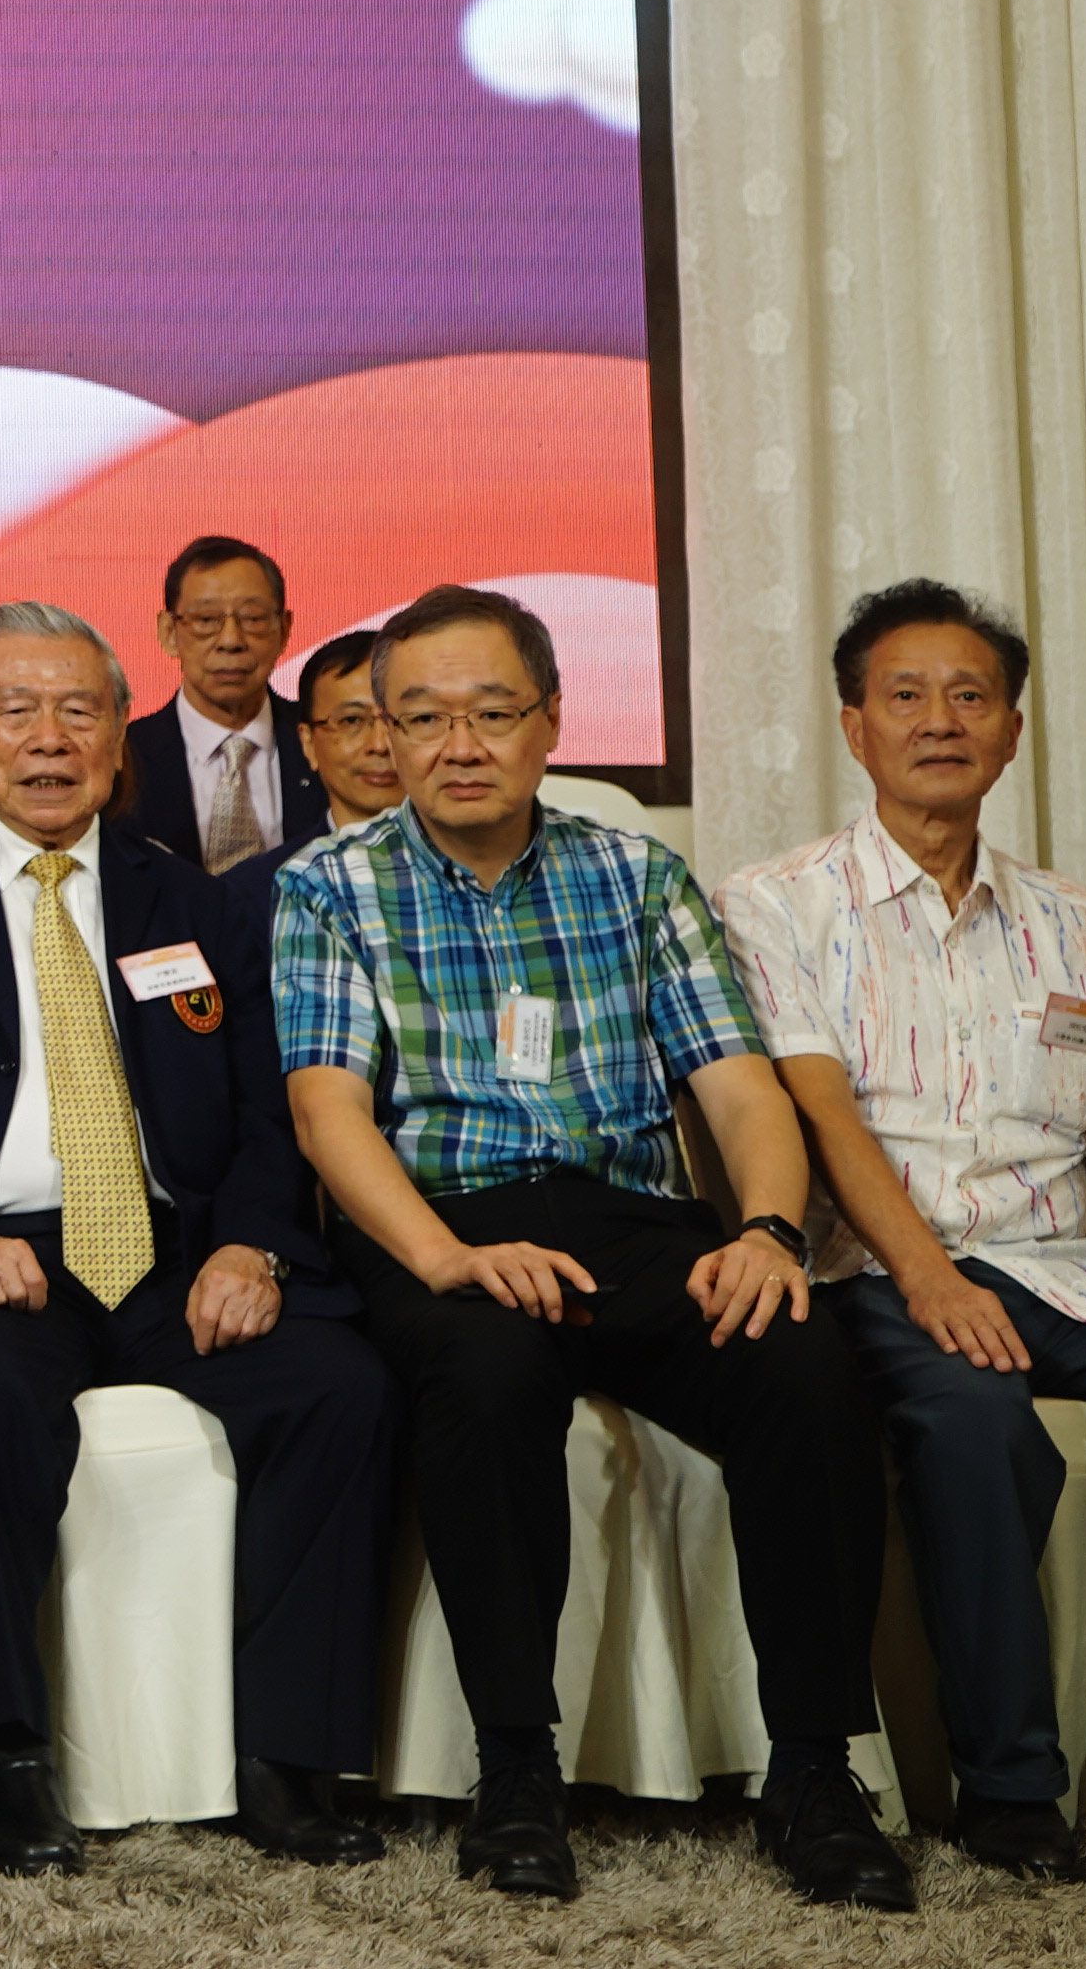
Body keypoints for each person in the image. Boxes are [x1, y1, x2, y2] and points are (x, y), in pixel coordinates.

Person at [269, 582, 904, 1907]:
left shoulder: (636, 875)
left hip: (629, 1219)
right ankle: (516, 1769)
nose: (459, 745)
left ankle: (813, 1768)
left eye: (492, 712)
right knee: (486, 1377)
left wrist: (769, 1232)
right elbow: (329, 1113)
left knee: (805, 1362)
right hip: (444, 1222)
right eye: (422, 717)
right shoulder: (329, 886)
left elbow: (741, 1089)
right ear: (381, 732)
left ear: (551, 720)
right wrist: (443, 1258)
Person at [729, 580, 1086, 1886]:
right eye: (905, 695)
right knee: (975, 1421)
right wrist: (928, 1276)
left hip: (1073, 1269)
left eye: (970, 696)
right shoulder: (777, 904)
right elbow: (819, 1111)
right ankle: (1007, 1786)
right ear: (854, 725)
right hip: (884, 1268)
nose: (939, 720)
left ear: (1011, 730)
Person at [0, 600, 391, 1878]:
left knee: (340, 1387)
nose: (49, 740)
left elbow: (274, 1103)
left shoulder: (194, 900)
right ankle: (9, 1757)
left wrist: (254, 1246)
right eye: (18, 710)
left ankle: (286, 1759)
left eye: (80, 711)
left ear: (120, 735)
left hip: (174, 1250)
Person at [121, 535, 325, 869]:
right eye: (206, 620)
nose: (231, 640)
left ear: (284, 629)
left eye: (253, 618)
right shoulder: (122, 759)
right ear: (169, 632)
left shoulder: (325, 741)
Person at [283, 625, 408, 835]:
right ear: (308, 742)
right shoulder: (293, 858)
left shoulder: (468, 856)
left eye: (397, 719)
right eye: (351, 720)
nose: (380, 745)